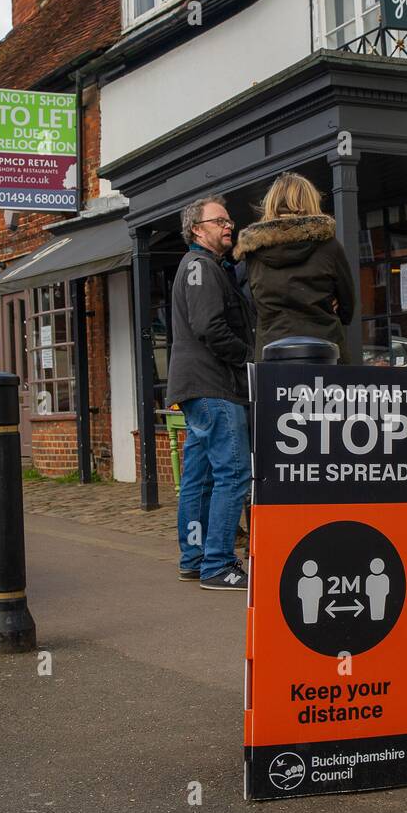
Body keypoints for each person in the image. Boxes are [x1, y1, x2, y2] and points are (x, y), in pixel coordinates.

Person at [166, 195, 255, 592]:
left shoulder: (208, 267)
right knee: (233, 473)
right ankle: (218, 564)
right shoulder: (201, 267)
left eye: (228, 219)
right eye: (219, 221)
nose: (228, 225)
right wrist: (246, 358)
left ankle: (195, 558)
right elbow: (210, 327)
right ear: (196, 230)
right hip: (214, 385)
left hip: (197, 386)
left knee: (199, 477)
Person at [233, 172, 356, 363]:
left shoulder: (253, 253)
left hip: (271, 355)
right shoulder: (329, 246)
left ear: (271, 203)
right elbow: (348, 309)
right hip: (325, 353)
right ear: (310, 202)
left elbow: (253, 304)